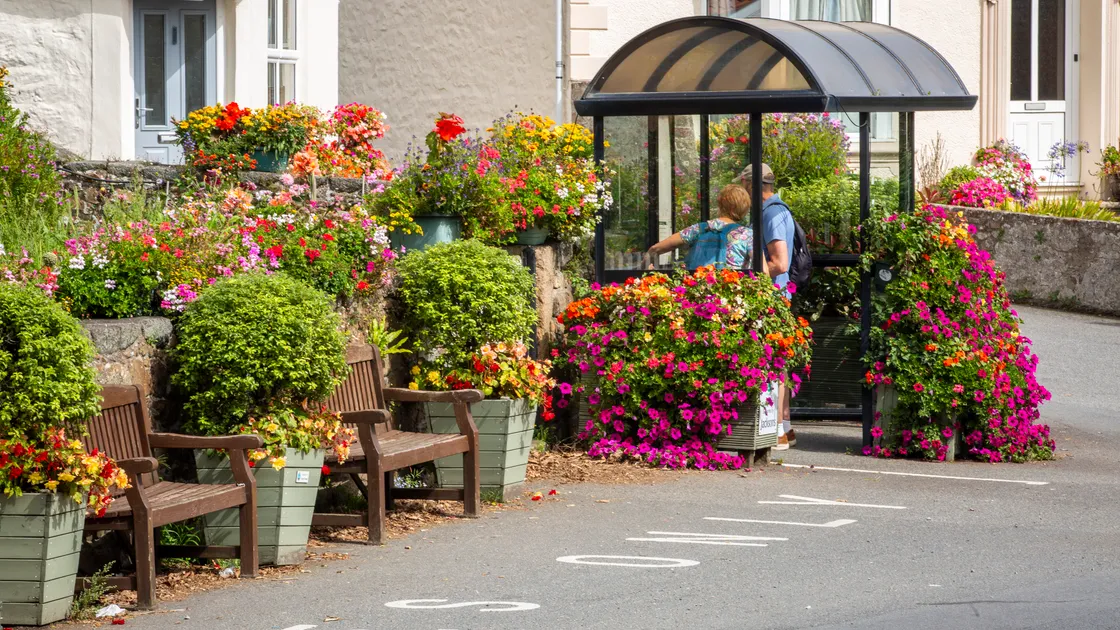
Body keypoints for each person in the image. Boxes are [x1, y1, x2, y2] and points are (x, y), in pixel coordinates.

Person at [740, 163, 796, 449]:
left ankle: (776, 430)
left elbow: (780, 263)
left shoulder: (771, 213)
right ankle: (784, 426)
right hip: (778, 294)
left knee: (774, 361)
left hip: (772, 295)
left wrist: (745, 272)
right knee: (779, 360)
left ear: (751, 185)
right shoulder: (776, 209)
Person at [645, 184, 754, 271]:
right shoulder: (747, 235)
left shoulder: (699, 229)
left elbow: (655, 249)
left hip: (698, 293)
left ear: (720, 203)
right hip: (733, 295)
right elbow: (763, 271)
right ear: (744, 209)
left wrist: (642, 271)